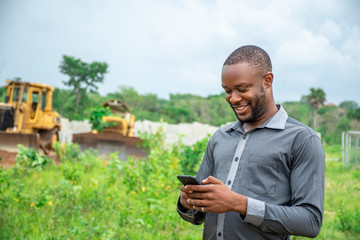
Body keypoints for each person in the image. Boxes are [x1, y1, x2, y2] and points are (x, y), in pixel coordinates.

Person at [177, 45, 325, 240]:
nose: (234, 98)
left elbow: (310, 221)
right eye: (227, 90)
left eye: (242, 89)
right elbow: (199, 213)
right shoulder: (220, 137)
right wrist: (187, 202)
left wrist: (239, 204)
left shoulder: (302, 140)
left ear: (267, 80)